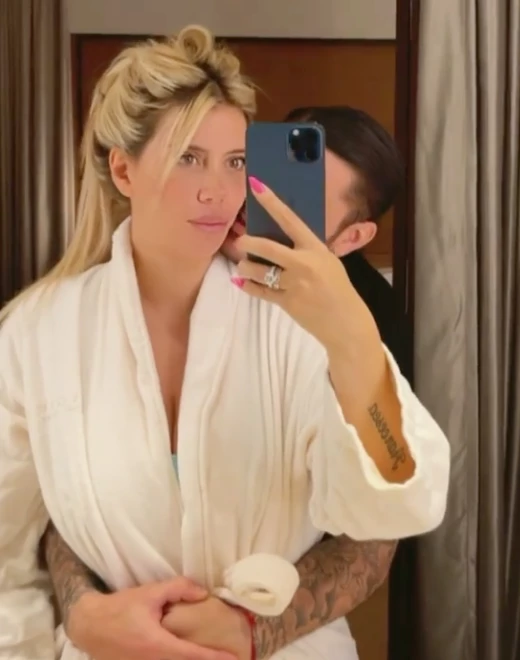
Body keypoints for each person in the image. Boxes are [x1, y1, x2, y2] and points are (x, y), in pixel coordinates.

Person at [0, 25, 450, 660]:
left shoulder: (301, 322)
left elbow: (399, 502)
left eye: (236, 162)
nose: (217, 190)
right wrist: (74, 621)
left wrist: (351, 339)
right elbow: (8, 553)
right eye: (189, 158)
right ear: (123, 169)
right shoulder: (38, 332)